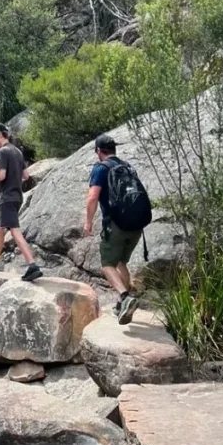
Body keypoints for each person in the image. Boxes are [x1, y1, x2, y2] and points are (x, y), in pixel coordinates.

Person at [84, 134, 141, 325]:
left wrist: (88, 222)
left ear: (99, 151)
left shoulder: (101, 168)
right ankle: (122, 303)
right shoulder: (128, 167)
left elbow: (92, 197)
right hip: (136, 223)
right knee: (121, 263)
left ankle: (125, 297)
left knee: (107, 264)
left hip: (116, 224)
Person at [0, 124, 43, 281]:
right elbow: (26, 175)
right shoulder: (18, 151)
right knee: (0, 231)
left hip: (6, 197)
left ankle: (32, 265)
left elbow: (1, 176)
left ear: (0, 134)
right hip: (17, 196)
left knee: (14, 231)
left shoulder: (2, 151)